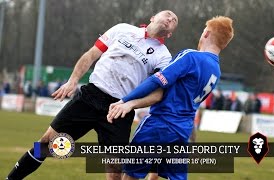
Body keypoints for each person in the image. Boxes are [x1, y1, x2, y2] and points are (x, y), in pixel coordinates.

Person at [6, 10, 178, 180]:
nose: (170, 18)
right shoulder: (123, 29)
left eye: (174, 20)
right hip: (91, 96)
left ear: (170, 34)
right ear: (153, 17)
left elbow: (157, 94)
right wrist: (73, 80)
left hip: (118, 110)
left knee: (115, 171)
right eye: (168, 14)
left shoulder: (164, 56)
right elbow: (91, 54)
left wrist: (130, 104)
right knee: (45, 144)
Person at [107, 16, 234, 180]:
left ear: (207, 34)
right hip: (183, 130)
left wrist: (126, 101)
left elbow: (157, 80)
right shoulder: (216, 70)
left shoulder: (191, 57)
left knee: (131, 175)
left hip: (160, 125)